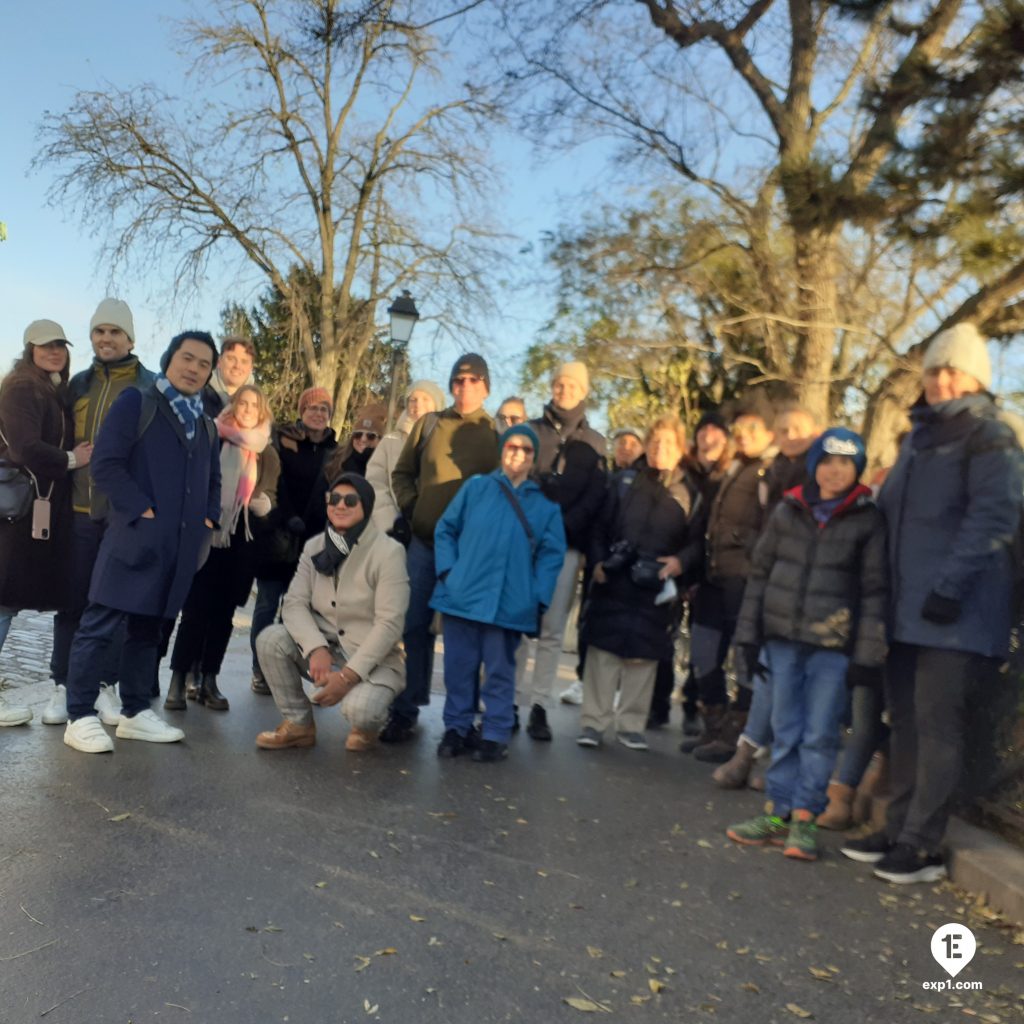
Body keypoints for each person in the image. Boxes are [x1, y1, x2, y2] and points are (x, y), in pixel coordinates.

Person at [842, 324, 1024, 883]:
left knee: (937, 726)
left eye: (953, 370)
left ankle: (922, 845)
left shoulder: (991, 435)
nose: (942, 380)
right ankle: (898, 828)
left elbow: (993, 518)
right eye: (934, 370)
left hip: (957, 612)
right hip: (906, 608)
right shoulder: (919, 439)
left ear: (975, 378)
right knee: (908, 723)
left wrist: (950, 588)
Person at [726, 428, 887, 861]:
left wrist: (867, 655)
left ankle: (804, 817)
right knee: (785, 728)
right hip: (781, 641)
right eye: (828, 462)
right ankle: (777, 812)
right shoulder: (788, 510)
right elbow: (760, 575)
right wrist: (748, 637)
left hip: (832, 648)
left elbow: (874, 591)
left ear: (856, 470)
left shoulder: (867, 519)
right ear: (816, 465)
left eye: (846, 464)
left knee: (819, 734)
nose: (835, 471)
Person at [62, 331, 221, 754]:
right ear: (170, 360)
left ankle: (133, 711)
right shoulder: (138, 401)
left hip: (179, 547)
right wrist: (142, 512)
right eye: (187, 358)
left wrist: (209, 518)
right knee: (100, 625)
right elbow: (106, 465)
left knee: (149, 630)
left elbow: (213, 480)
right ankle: (78, 714)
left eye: (204, 364)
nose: (194, 369)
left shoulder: (206, 423)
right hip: (133, 536)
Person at [43, 298, 157, 727]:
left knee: (114, 603)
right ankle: (64, 685)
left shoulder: (148, 386)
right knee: (71, 603)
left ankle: (105, 687)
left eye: (114, 332)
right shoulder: (77, 384)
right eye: (99, 331)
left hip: (122, 516)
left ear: (130, 338)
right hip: (76, 510)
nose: (106, 338)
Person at [380, 354, 499, 742]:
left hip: (471, 552)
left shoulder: (496, 432)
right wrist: (414, 509)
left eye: (472, 379)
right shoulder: (430, 424)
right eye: (458, 379)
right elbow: (401, 473)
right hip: (425, 543)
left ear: (486, 386)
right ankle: (407, 708)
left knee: (467, 635)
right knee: (413, 626)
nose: (464, 386)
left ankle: (463, 720)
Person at [432, 425, 566, 761]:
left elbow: (552, 555)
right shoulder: (476, 488)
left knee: (500, 672)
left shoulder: (545, 506)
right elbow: (446, 529)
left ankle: (494, 732)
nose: (518, 454)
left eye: (526, 449)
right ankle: (456, 728)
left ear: (534, 457)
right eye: (512, 447)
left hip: (509, 602)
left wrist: (537, 596)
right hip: (463, 596)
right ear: (502, 449)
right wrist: (449, 572)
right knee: (458, 669)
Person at [255, 473, 409, 752]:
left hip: (372, 659)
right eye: (334, 499)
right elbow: (293, 603)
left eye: (351, 500)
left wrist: (348, 676)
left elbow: (390, 623)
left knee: (360, 711)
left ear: (366, 507)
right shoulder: (315, 546)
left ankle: (367, 725)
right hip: (327, 647)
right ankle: (298, 725)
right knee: (270, 639)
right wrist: (315, 648)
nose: (340, 505)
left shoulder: (389, 552)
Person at [711, 404, 821, 788]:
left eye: (798, 429)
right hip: (771, 576)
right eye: (784, 429)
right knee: (768, 669)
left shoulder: (820, 473)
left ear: (815, 431)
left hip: (809, 585)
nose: (790, 435)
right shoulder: (770, 474)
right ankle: (751, 753)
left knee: (791, 678)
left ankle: (764, 757)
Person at [578, 416, 700, 751]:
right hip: (616, 575)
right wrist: (600, 560)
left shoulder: (690, 491)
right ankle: (592, 722)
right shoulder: (624, 480)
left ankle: (631, 724)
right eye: (656, 442)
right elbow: (600, 525)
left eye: (668, 444)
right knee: (603, 652)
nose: (661, 449)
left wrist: (681, 563)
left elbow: (698, 541)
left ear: (680, 449)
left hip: (656, 582)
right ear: (647, 445)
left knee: (643, 657)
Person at [165, 385, 279, 711]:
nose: (246, 409)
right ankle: (178, 679)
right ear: (233, 404)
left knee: (224, 615)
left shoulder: (266, 451)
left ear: (262, 412)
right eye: (242, 402)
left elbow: (272, 491)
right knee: (195, 611)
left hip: (243, 538)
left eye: (253, 405)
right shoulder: (212, 435)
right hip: (207, 533)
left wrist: (263, 503)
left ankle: (210, 680)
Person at [515, 361, 606, 740]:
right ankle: (511, 701)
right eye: (558, 383)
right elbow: (520, 482)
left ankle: (539, 705)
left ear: (584, 391)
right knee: (518, 625)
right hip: (524, 543)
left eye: (572, 384)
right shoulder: (532, 432)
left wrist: (564, 529)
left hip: (566, 547)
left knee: (552, 630)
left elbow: (594, 497)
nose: (564, 389)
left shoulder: (595, 443)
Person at [682, 404, 776, 763]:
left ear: (768, 434)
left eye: (753, 428)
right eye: (740, 429)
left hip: (744, 577)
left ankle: (738, 736)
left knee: (743, 658)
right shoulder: (734, 468)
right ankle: (714, 724)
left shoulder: (769, 470)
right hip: (713, 575)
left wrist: (741, 542)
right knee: (704, 653)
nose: (744, 435)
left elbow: (772, 524)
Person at [0, 321, 82, 726]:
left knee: (8, 599)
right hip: (16, 510)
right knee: (3, 600)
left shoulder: (47, 388)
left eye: (60, 346)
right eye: (46, 346)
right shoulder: (21, 387)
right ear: (29, 347)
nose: (55, 351)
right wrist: (71, 459)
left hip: (32, 507)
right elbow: (24, 447)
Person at [249, 386, 338, 694]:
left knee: (298, 607)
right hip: (278, 534)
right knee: (267, 604)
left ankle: (284, 669)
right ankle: (259, 668)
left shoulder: (334, 450)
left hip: (313, 540)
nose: (318, 413)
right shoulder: (280, 440)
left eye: (324, 409)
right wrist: (285, 516)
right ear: (302, 412)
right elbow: (275, 482)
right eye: (312, 407)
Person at [675, 410, 734, 735]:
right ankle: (671, 703)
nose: (708, 436)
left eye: (716, 430)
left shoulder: (730, 475)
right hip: (683, 563)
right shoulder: (685, 471)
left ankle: (700, 707)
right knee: (686, 642)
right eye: (703, 430)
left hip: (714, 572)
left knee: (711, 648)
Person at [366, 380, 445, 539]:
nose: (418, 405)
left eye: (425, 399)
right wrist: (391, 523)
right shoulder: (390, 441)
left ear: (436, 405)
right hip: (392, 532)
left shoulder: (447, 442)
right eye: (413, 399)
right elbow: (375, 483)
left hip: (433, 534)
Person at [205, 335, 256, 414]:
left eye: (244, 361)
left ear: (251, 368)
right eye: (231, 359)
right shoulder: (198, 399)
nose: (237, 366)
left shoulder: (259, 404)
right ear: (219, 361)